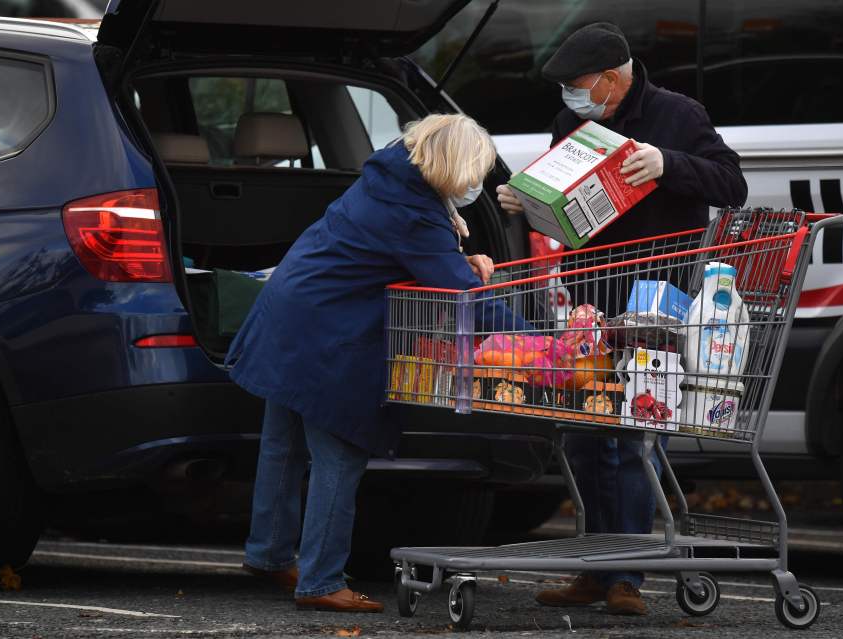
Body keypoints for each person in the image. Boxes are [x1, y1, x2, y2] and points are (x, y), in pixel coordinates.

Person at [227, 114, 526, 613]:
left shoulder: (389, 180)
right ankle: (321, 581)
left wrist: (454, 258)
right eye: (473, 171)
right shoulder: (414, 211)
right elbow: (461, 298)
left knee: (284, 445)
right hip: (327, 334)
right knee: (340, 455)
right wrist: (543, 338)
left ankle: (270, 553)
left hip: (290, 314)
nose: (475, 184)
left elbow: (412, 261)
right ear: (451, 164)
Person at [497, 23, 748, 616]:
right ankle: (593, 566)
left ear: (611, 79)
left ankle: (627, 576)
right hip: (592, 302)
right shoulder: (571, 125)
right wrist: (527, 200)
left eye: (576, 85)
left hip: (656, 304)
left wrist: (670, 165)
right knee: (585, 434)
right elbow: (564, 200)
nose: (569, 97)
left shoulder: (678, 116)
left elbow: (730, 184)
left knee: (635, 436)